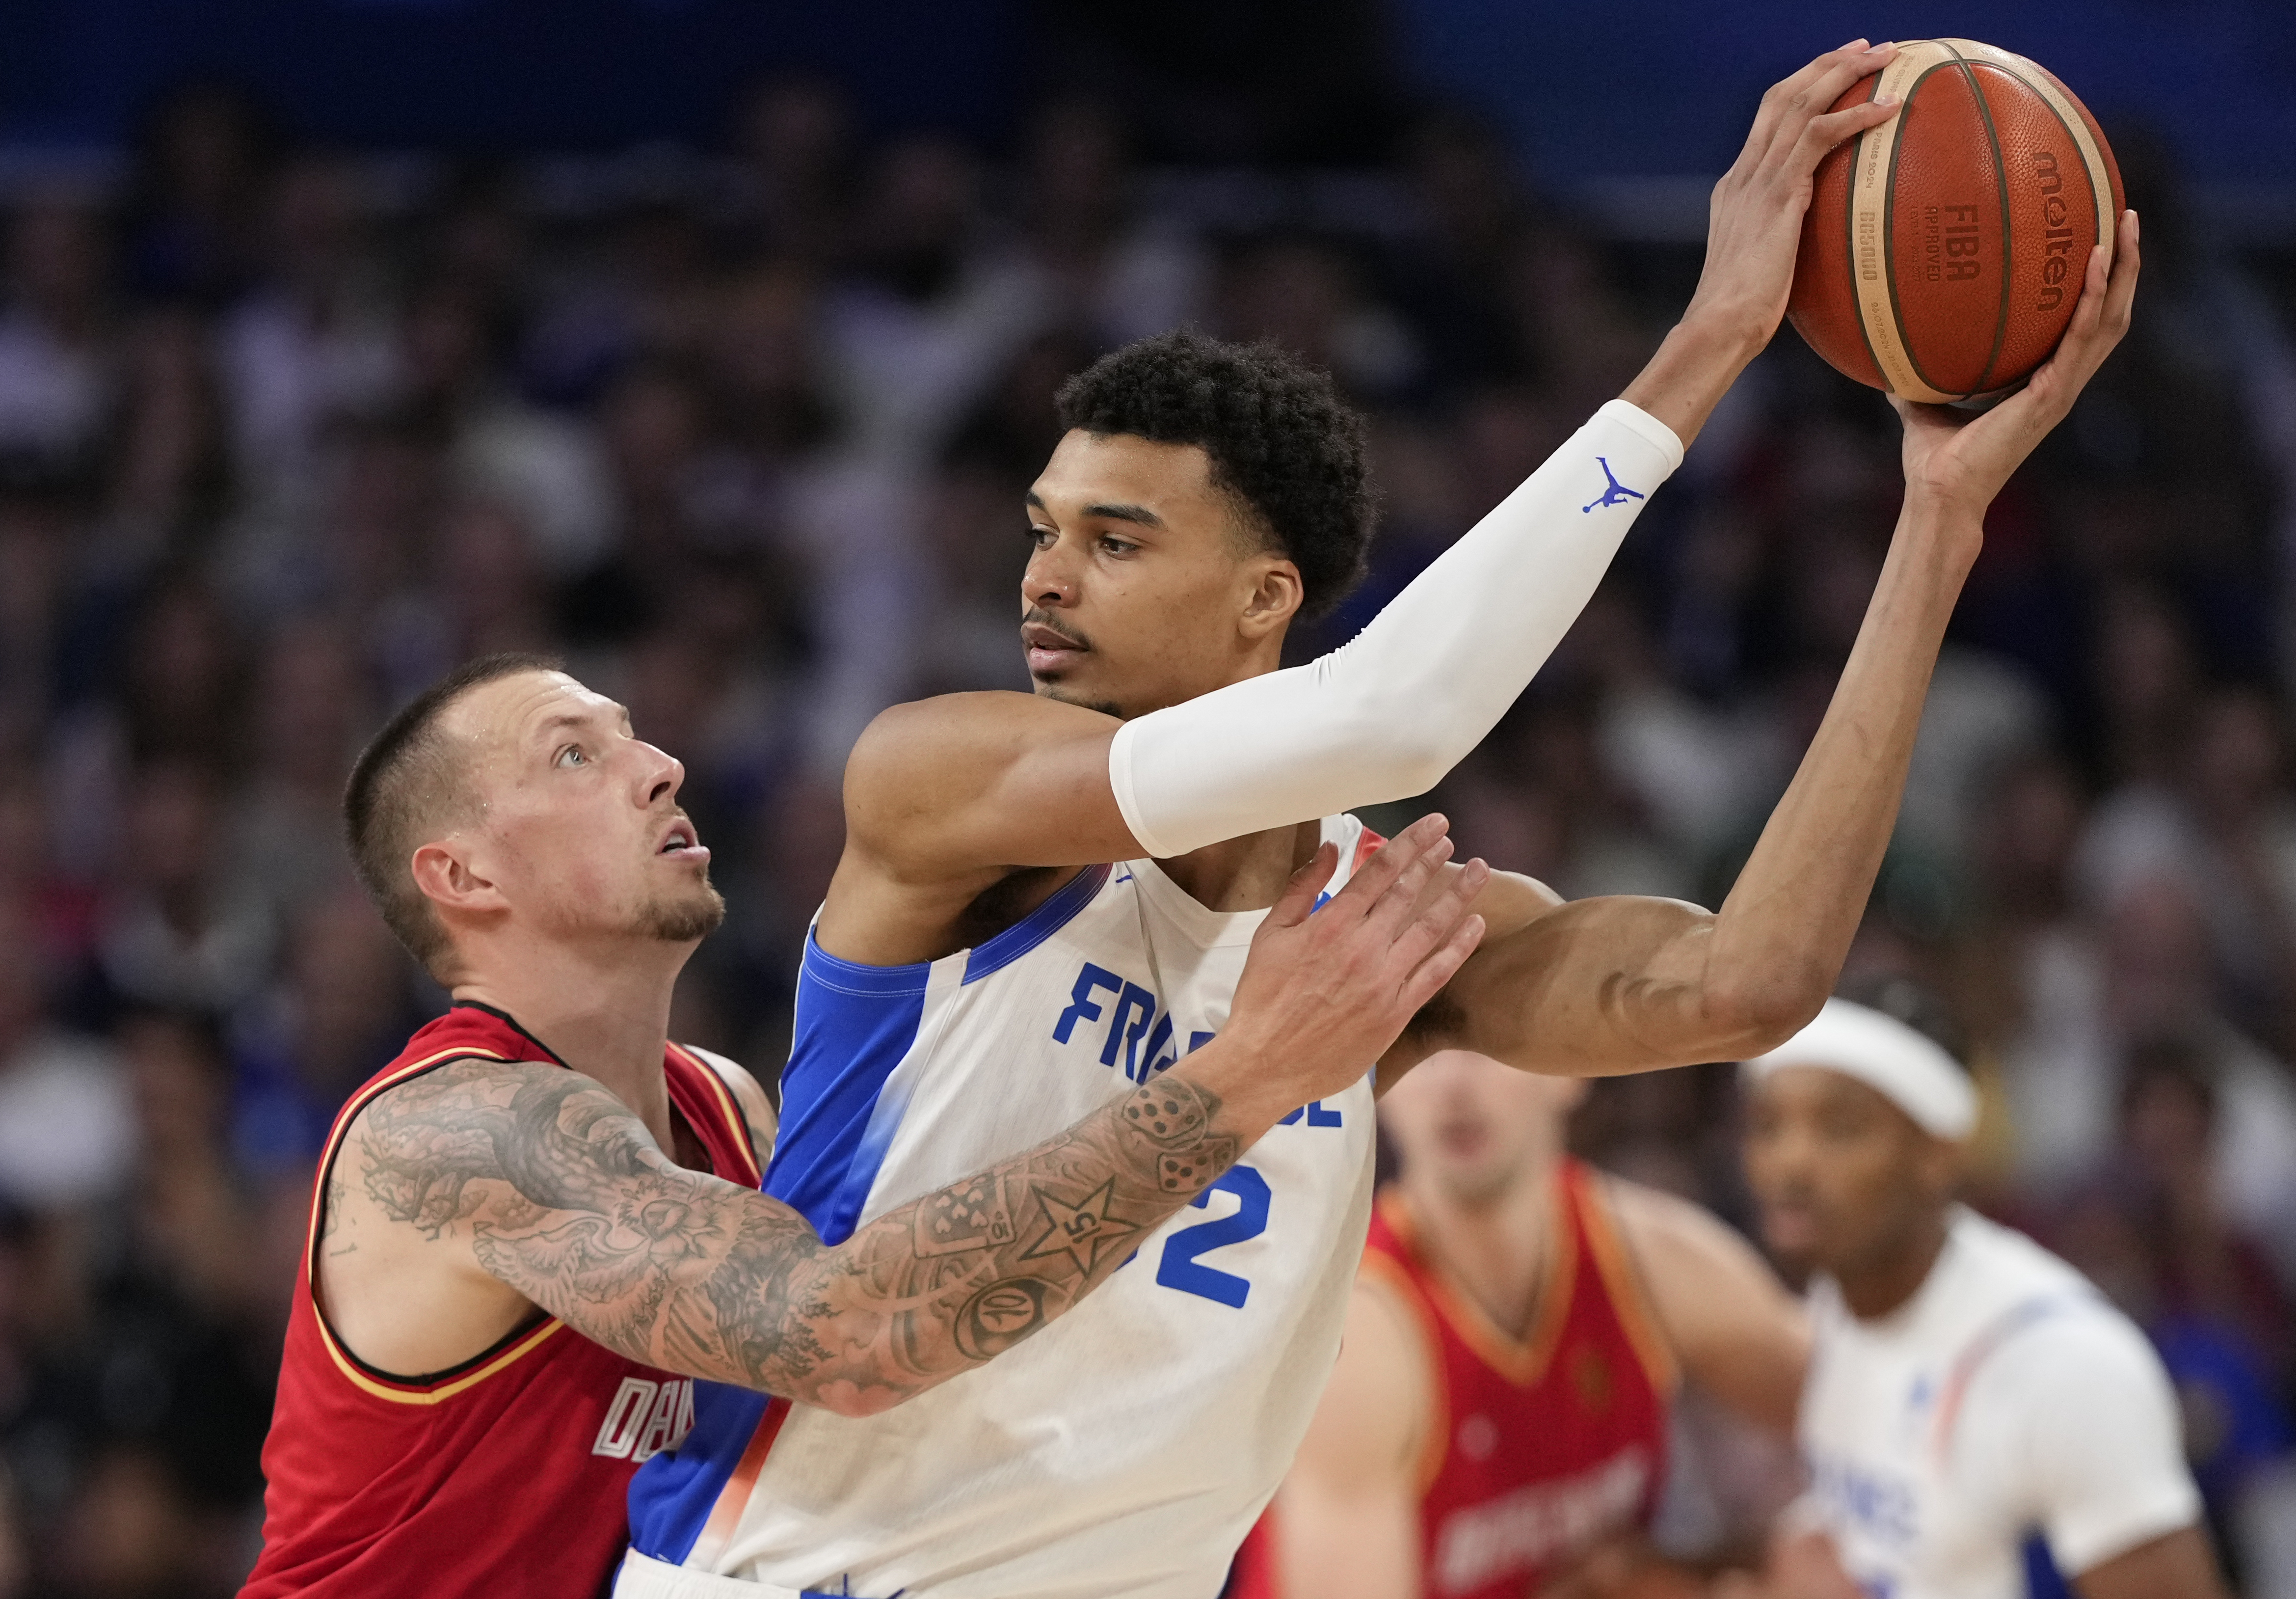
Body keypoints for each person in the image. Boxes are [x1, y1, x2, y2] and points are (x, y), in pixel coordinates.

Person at [619, 41, 2143, 1599]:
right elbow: (1393, 716)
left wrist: (1934, 519)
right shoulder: (939, 784)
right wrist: (1706, 339)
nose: (1043, 579)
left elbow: (1749, 984)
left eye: (1114, 539)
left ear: (1260, 599)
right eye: (1040, 532)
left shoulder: (1396, 936)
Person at [240, 652, 1486, 1599]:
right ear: (463, 876)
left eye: (635, 737)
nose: (658, 765)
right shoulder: (454, 1134)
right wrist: (1248, 1073)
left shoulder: (721, 1103)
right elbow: (847, 1330)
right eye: (574, 755)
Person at [1229, 1048, 1808, 1599]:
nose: (1452, 1086)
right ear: (1377, 1091)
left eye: (1484, 1044)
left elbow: (1854, 1413)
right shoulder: (1361, 1335)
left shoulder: (1649, 1259)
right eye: (1423, 1049)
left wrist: (1705, 1569)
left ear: (1571, 1068)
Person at [1741, 999, 2229, 1599]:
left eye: (1840, 1129)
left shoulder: (2062, 1364)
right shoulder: (1839, 1294)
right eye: (1767, 1125)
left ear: (1938, 1155)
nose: (1790, 1163)